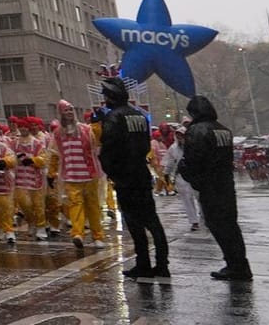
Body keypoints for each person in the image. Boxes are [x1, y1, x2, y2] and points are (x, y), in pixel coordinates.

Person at [98, 77, 167, 280]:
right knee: (152, 220)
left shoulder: (113, 118)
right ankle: (162, 264)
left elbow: (108, 150)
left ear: (112, 96)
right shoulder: (138, 116)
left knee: (135, 223)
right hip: (140, 173)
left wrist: (113, 172)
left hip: (125, 177)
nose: (104, 99)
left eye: (106, 95)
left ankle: (144, 263)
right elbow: (145, 145)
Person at [179, 95, 251, 282]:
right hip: (225, 183)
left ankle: (234, 265)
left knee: (217, 225)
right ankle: (239, 264)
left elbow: (194, 159)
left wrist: (187, 172)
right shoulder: (223, 130)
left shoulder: (196, 130)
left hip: (209, 185)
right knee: (230, 225)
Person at [51, 99, 105, 251]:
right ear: (61, 113)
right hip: (71, 176)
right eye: (65, 110)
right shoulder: (57, 133)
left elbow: (98, 141)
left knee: (93, 206)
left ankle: (97, 236)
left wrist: (97, 124)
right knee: (75, 205)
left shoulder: (85, 129)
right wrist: (51, 173)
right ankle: (78, 234)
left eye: (70, 110)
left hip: (89, 174)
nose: (68, 113)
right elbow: (54, 154)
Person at [13, 117, 52, 240]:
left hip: (35, 179)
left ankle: (41, 226)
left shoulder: (37, 143)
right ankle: (30, 222)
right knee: (24, 204)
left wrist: (33, 160)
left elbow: (44, 159)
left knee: (38, 205)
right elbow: (9, 156)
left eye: (25, 126)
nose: (23, 129)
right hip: (20, 179)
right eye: (21, 127)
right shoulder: (14, 143)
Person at [163, 126, 198, 231]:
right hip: (181, 177)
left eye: (182, 135)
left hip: (195, 175)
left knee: (199, 197)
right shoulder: (173, 148)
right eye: (178, 135)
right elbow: (170, 162)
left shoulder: (194, 146)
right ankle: (194, 221)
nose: (180, 137)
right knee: (187, 199)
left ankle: (204, 219)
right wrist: (166, 174)